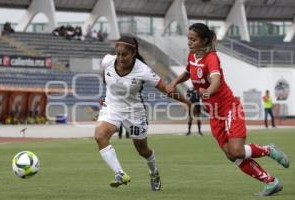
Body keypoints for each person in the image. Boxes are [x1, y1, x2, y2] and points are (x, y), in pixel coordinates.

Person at [166, 23, 290, 196]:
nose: (189, 42)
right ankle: (271, 182)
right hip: (214, 113)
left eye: (193, 39)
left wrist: (208, 91)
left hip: (229, 108)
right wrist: (174, 82)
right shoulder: (192, 56)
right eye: (188, 39)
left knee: (237, 150)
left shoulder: (212, 58)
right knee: (231, 155)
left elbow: (216, 80)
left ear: (204, 41)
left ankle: (268, 150)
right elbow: (188, 72)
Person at [94, 35, 190, 191]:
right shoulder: (108, 61)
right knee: (100, 136)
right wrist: (105, 94)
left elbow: (166, 89)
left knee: (143, 151)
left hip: (134, 113)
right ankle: (120, 173)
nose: (120, 58)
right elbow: (105, 74)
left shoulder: (143, 70)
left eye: (124, 54)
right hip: (112, 108)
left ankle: (154, 173)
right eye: (118, 54)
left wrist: (187, 102)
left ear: (133, 53)